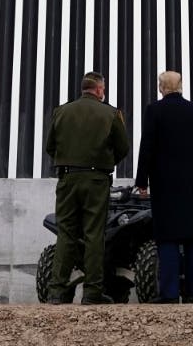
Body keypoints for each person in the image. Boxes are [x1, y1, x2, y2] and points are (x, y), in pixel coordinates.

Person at [45, 71, 130, 304]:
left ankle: (57, 291)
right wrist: (104, 162)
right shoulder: (111, 114)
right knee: (94, 234)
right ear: (100, 90)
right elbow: (123, 148)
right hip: (96, 181)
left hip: (67, 179)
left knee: (66, 234)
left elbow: (50, 146)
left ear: (83, 89)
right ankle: (92, 292)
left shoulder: (61, 112)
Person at [134, 70, 193, 303]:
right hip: (192, 185)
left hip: (165, 183)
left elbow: (147, 146)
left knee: (167, 237)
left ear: (161, 87)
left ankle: (169, 293)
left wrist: (142, 181)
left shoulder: (154, 110)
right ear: (181, 87)